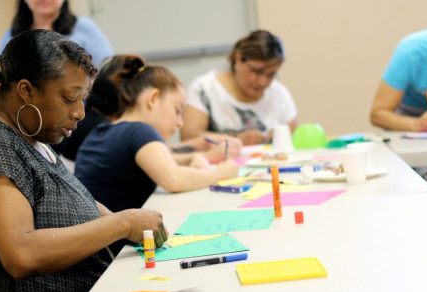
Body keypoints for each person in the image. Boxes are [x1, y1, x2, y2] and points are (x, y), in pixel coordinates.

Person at [0, 30, 167, 292]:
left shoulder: (33, 141)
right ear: (26, 91)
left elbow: (81, 202)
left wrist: (132, 225)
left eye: (82, 99)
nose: (80, 112)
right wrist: (123, 224)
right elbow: (22, 254)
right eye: (69, 98)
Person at [74, 55, 239, 213]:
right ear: (153, 99)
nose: (180, 122)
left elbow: (159, 161)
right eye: (177, 110)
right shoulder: (140, 131)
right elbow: (174, 179)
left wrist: (192, 158)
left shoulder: (104, 131)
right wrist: (222, 172)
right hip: (121, 241)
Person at [62, 54, 242, 164]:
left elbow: (159, 152)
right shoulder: (107, 129)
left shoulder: (103, 123)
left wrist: (194, 146)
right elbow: (162, 161)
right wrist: (208, 156)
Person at [0, 0, 113, 116]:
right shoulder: (12, 35)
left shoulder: (84, 27)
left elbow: (108, 71)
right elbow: (2, 76)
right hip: (30, 118)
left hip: (80, 114)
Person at [181, 30, 298, 146]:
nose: (262, 82)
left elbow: (294, 137)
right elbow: (188, 138)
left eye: (271, 74)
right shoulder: (204, 89)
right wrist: (236, 140)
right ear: (238, 59)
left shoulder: (278, 93)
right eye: (256, 71)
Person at [370, 28, 427, 190]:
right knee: (414, 176)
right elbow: (377, 113)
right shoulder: (409, 55)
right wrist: (415, 124)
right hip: (408, 114)